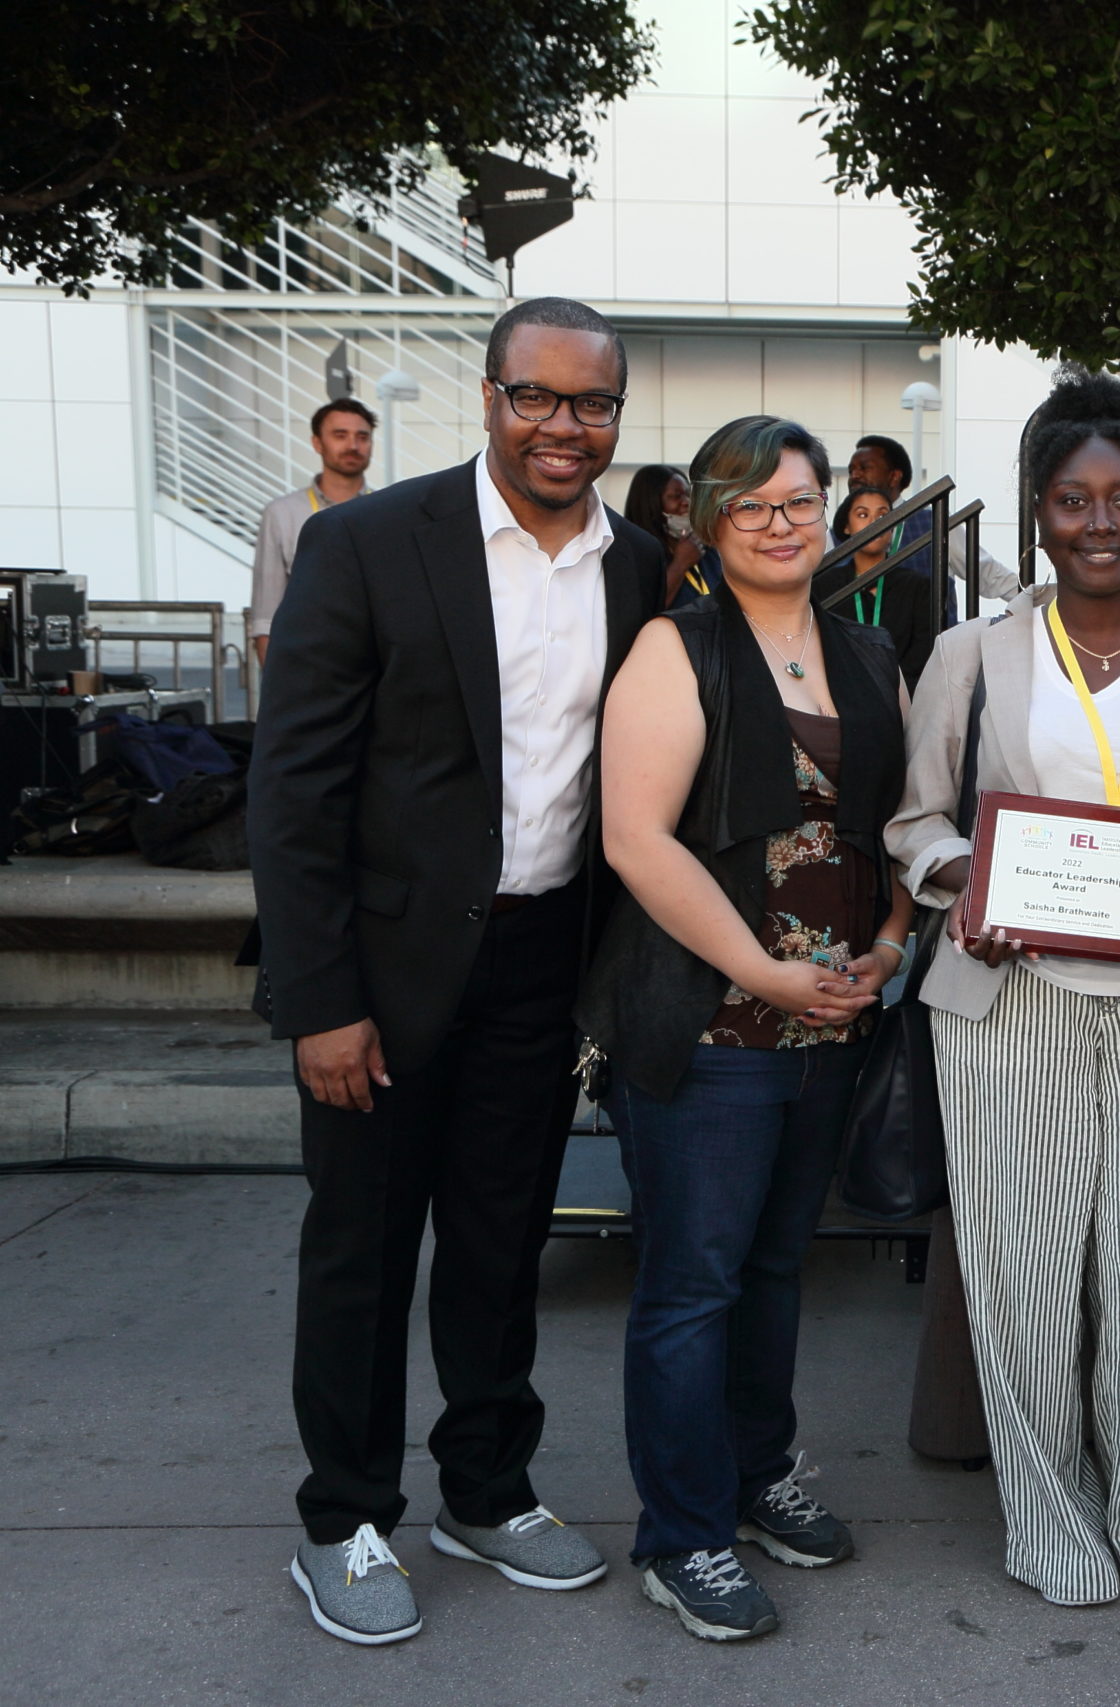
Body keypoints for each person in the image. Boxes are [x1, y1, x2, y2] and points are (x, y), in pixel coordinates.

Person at [249, 298, 664, 1645]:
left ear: (615, 413)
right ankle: (347, 1514)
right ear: (489, 397)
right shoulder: (367, 539)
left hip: (543, 955)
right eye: (536, 397)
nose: (563, 425)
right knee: (362, 1252)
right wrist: (318, 998)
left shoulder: (640, 568)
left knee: (500, 1240)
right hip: (380, 969)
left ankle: (486, 1485)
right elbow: (294, 786)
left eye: (589, 403)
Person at [885, 373, 1120, 1608]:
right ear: (1037, 512)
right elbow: (915, 821)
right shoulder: (969, 653)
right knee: (1025, 1271)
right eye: (1071, 501)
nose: (1099, 522)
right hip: (1008, 1002)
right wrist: (966, 885)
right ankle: (1050, 1518)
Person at [580, 416, 912, 1641]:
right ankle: (682, 1534)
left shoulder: (869, 656)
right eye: (755, 503)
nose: (784, 523)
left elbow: (894, 828)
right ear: (710, 523)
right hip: (710, 1024)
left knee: (777, 1271)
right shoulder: (678, 649)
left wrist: (887, 946)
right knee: (691, 1285)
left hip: (836, 1019)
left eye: (803, 501)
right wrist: (762, 975)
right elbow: (635, 841)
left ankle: (758, 1474)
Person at [250, 399, 375, 664]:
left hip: (377, 663)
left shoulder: (390, 509)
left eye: (362, 437)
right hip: (309, 661)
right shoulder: (282, 513)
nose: (353, 446)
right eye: (340, 435)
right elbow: (266, 613)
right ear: (317, 443)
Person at [847, 432, 1020, 618]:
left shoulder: (936, 523)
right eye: (851, 470)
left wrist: (1039, 601)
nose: (854, 475)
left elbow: (987, 573)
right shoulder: (838, 535)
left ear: (894, 477)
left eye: (864, 468)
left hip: (929, 644)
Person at [818, 481, 940, 688]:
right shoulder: (823, 586)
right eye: (863, 515)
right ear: (847, 526)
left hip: (900, 698)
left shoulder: (918, 587)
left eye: (883, 515)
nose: (875, 522)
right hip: (839, 696)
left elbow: (922, 656)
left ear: (893, 526)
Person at [622, 463, 707, 608]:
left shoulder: (705, 548)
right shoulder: (631, 553)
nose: (687, 502)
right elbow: (644, 610)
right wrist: (680, 564)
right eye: (676, 496)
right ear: (651, 505)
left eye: (688, 494)